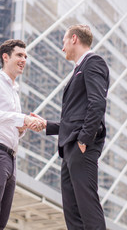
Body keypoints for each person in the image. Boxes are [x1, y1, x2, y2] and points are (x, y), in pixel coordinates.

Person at [33, 24, 109, 230]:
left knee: (88, 208)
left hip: (81, 147)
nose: (62, 47)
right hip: (69, 150)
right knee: (73, 213)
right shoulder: (79, 69)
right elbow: (75, 118)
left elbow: (97, 104)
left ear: (74, 39)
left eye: (64, 41)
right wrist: (46, 125)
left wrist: (84, 140)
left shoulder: (93, 63)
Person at [0, 39, 44, 230]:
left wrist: (22, 128)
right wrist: (21, 119)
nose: (24, 59)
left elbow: (9, 125)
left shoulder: (14, 91)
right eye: (19, 55)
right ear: (6, 57)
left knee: (0, 222)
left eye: (25, 56)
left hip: (9, 158)